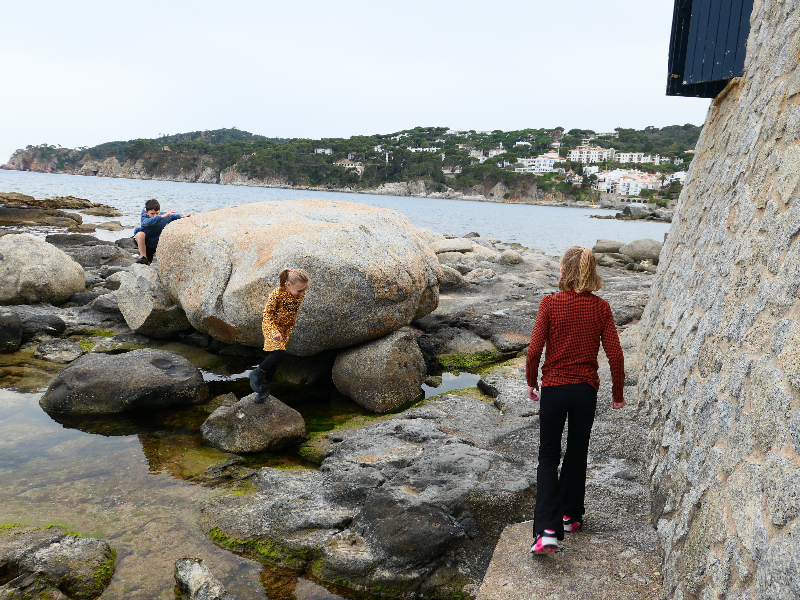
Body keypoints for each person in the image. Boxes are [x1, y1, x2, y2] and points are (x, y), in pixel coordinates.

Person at [526, 246, 625, 555]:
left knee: (547, 456)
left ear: (564, 272)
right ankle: (571, 515)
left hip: (554, 389)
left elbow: (533, 351)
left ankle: (548, 531)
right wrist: (617, 394)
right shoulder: (601, 308)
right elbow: (615, 354)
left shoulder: (550, 304)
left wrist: (532, 382)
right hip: (585, 391)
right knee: (577, 452)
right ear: (590, 272)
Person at [249, 268, 310, 402]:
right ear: (288, 285)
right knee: (279, 353)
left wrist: (290, 324)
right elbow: (267, 315)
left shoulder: (298, 294)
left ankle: (264, 387)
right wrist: (274, 331)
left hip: (284, 330)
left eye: (304, 290)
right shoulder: (277, 294)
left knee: (275, 358)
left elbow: (294, 310)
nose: (302, 293)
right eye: (300, 290)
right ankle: (256, 373)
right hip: (272, 327)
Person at [133, 198, 194, 265]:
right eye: (152, 214)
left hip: (155, 243)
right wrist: (161, 217)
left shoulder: (164, 216)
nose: (155, 215)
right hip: (146, 242)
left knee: (148, 263)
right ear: (146, 212)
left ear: (159, 211)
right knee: (140, 234)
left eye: (157, 213)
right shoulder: (145, 218)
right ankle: (142, 257)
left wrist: (184, 217)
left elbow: (173, 217)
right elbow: (146, 222)